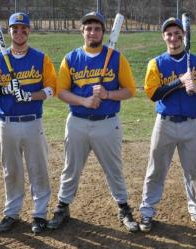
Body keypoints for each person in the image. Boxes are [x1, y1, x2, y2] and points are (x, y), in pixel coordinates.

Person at [47, 11, 138, 232]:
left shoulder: (116, 57)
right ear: (82, 31)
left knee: (113, 169)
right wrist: (84, 101)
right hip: (77, 121)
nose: (93, 32)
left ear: (103, 32)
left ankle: (124, 208)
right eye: (88, 28)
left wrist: (108, 95)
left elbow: (130, 91)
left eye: (97, 28)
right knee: (70, 168)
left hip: (107, 122)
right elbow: (61, 91)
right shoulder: (71, 58)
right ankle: (62, 207)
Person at [139, 17, 196, 233]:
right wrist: (179, 82)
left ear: (183, 36)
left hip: (190, 125)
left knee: (194, 171)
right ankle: (146, 213)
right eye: (169, 34)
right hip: (164, 124)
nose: (173, 38)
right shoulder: (156, 63)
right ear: (163, 37)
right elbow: (153, 94)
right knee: (155, 171)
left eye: (177, 34)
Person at [0, 12, 56, 234]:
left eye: (24, 29)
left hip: (33, 122)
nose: (19, 32)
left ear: (29, 31)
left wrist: (30, 96)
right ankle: (11, 212)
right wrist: (4, 89)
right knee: (10, 170)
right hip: (7, 122)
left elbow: (52, 88)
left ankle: (40, 214)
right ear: (9, 31)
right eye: (15, 29)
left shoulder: (41, 58)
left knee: (38, 169)